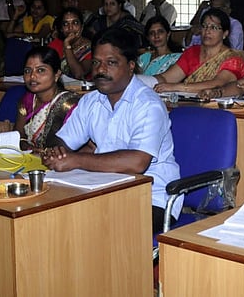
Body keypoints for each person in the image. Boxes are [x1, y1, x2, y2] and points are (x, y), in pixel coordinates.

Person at [41, 29, 181, 234]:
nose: (101, 69)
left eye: (111, 62)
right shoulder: (91, 101)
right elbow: (60, 143)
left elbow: (137, 162)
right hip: (102, 187)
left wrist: (76, 159)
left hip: (152, 197)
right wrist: (57, 154)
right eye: (96, 62)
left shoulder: (148, 104)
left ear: (131, 66)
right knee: (49, 213)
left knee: (94, 227)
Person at [153, 8, 244, 94]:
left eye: (214, 27)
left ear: (225, 33)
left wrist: (178, 87)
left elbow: (217, 84)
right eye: (204, 26)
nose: (207, 31)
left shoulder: (232, 58)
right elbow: (167, 78)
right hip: (189, 103)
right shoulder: (192, 52)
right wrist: (143, 81)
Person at [14, 46, 81, 149]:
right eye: (27, 71)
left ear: (57, 74)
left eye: (40, 70)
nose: (32, 76)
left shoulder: (69, 104)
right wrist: (27, 147)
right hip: (28, 159)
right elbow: (18, 134)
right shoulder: (27, 100)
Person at [48, 7, 95, 79]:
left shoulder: (90, 48)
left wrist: (67, 45)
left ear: (82, 27)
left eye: (75, 23)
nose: (70, 28)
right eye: (65, 24)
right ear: (61, 29)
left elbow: (79, 74)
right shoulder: (55, 45)